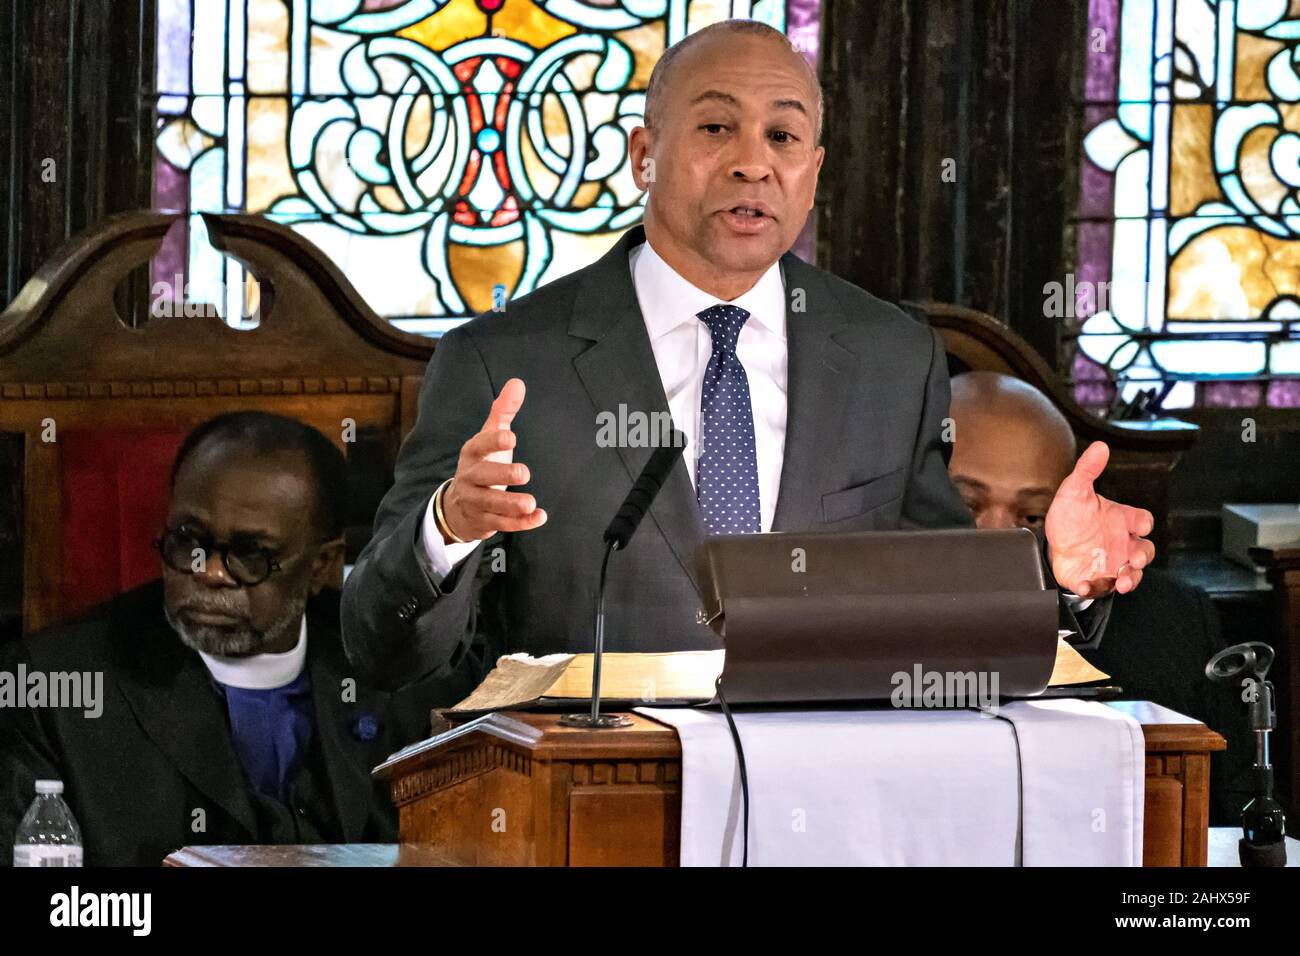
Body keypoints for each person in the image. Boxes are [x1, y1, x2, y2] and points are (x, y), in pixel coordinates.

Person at [340, 20, 1154, 692]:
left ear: (813, 174)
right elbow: (382, 651)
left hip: (826, 804)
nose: (752, 161)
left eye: (783, 135)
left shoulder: (889, 357)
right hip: (588, 806)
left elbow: (938, 616)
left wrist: (1057, 576)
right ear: (642, 155)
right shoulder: (503, 363)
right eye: (716, 126)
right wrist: (446, 527)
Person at [0, 412, 475, 865]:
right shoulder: (51, 690)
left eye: (250, 554)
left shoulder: (403, 676)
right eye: (188, 540)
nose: (207, 572)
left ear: (322, 566)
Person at [947, 371, 1251, 824]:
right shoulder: (854, 611)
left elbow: (1234, 811)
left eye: (1032, 514)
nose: (999, 535)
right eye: (966, 504)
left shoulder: (1172, 619)